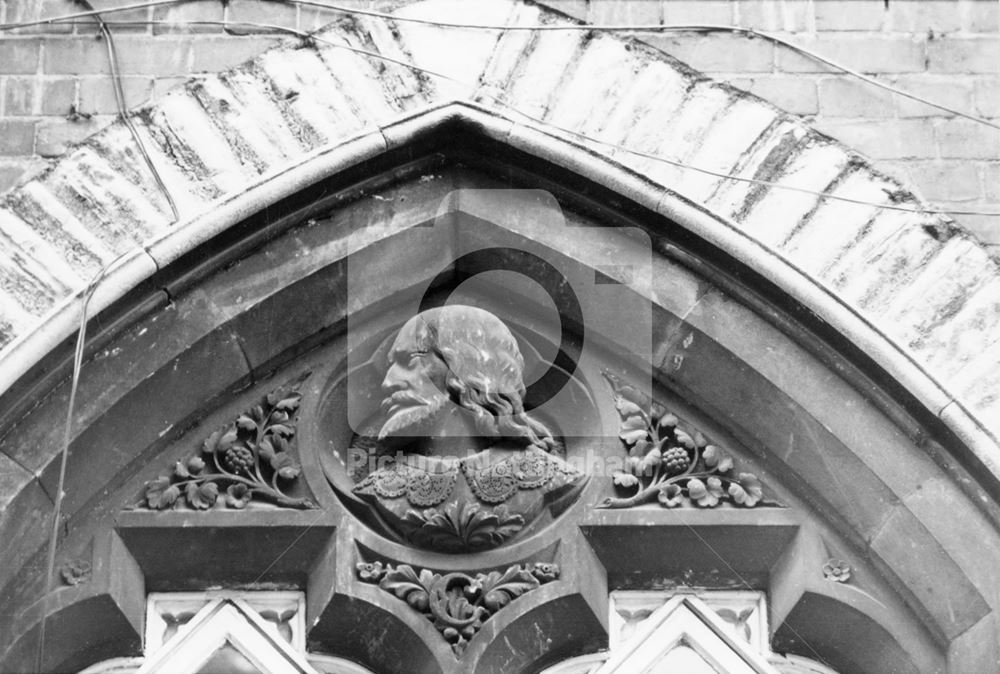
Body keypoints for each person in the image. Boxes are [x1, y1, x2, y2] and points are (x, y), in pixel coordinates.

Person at [352, 305, 584, 552]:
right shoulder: (379, 487)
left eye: (408, 361)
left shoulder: (550, 477)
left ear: (466, 368)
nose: (388, 382)